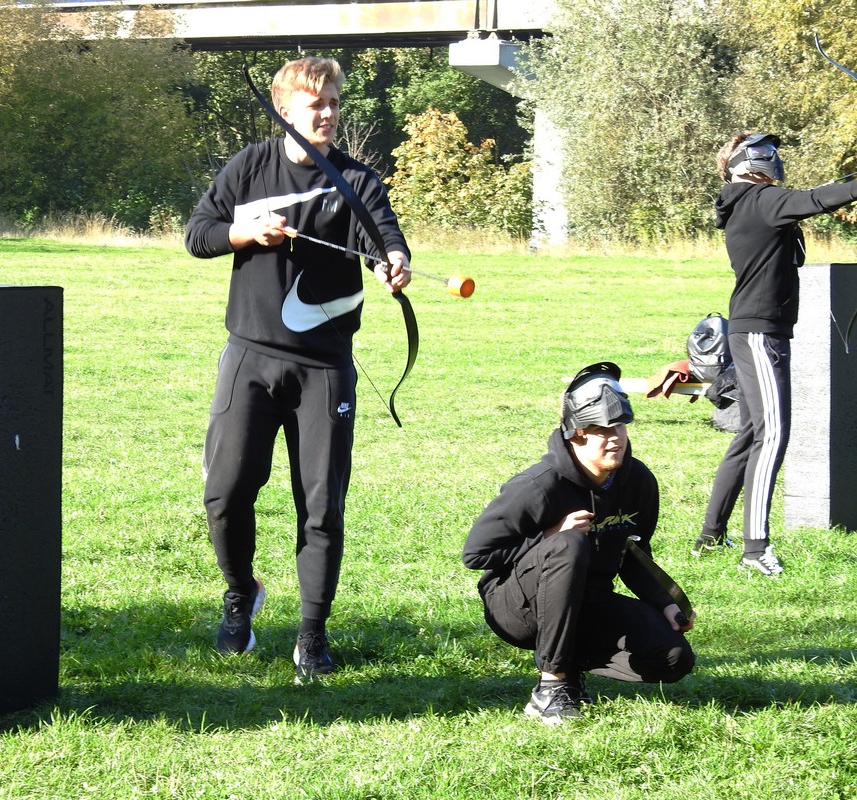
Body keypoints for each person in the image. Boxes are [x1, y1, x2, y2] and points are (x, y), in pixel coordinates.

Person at [184, 56, 411, 684]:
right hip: (250, 356)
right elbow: (198, 234)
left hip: (324, 369)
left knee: (320, 505)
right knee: (226, 492)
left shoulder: (356, 180)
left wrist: (394, 262)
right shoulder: (250, 167)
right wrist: (244, 231)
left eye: (334, 103)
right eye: (317, 105)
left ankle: (312, 634)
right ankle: (241, 594)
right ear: (285, 111)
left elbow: (384, 237)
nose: (329, 114)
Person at [462, 362, 695, 724]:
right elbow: (477, 554)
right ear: (575, 434)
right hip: (516, 609)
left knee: (673, 657)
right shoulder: (538, 485)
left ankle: (570, 668)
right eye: (601, 430)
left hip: (587, 602)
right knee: (568, 545)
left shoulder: (638, 482)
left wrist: (667, 601)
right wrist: (549, 536)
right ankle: (550, 686)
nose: (615, 438)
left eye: (620, 426)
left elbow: (633, 554)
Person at [692, 132, 857, 576]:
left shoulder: (747, 202)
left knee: (751, 433)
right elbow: (817, 199)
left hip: (752, 331)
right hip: (761, 335)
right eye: (765, 151)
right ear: (745, 163)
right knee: (773, 433)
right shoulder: (759, 200)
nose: (775, 158)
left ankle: (710, 535)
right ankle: (755, 549)